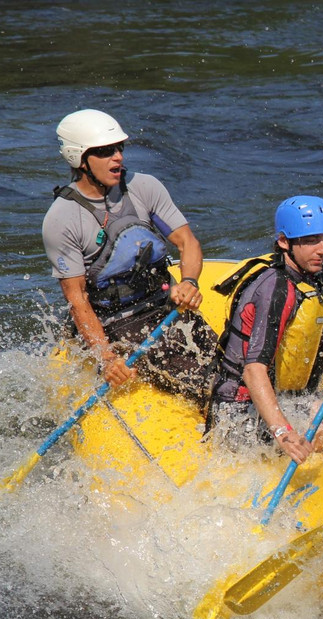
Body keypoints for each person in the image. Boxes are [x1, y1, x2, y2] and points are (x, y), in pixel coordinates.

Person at [42, 109, 217, 401]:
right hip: (115, 325)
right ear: (79, 159)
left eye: (119, 148)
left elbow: (186, 241)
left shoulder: (144, 187)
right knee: (208, 388)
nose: (118, 157)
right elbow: (78, 299)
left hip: (165, 306)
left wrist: (189, 282)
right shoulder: (62, 219)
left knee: (229, 376)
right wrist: (107, 358)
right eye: (105, 151)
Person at [206, 196, 323, 467]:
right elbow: (253, 370)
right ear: (285, 242)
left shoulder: (320, 277)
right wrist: (283, 432)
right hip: (242, 416)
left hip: (292, 399)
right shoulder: (275, 289)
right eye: (311, 240)